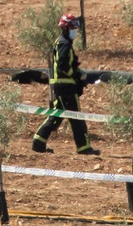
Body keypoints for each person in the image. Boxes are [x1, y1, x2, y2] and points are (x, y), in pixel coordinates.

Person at [32, 14, 99, 155]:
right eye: (73, 27)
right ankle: (84, 147)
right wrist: (76, 75)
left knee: (56, 115)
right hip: (66, 86)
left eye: (76, 27)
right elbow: (63, 65)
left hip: (60, 85)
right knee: (76, 117)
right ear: (65, 28)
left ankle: (38, 142)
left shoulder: (61, 42)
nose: (75, 30)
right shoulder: (64, 44)